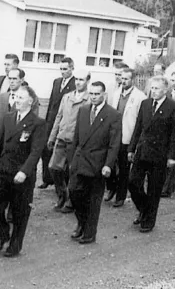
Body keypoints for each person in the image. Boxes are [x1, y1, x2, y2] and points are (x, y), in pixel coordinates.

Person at [0, 85, 46, 257]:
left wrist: (24, 171)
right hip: (2, 169)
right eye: (15, 97)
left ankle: (15, 245)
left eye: (20, 97)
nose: (16, 100)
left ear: (30, 101)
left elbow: (36, 151)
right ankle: (1, 235)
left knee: (20, 212)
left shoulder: (38, 123)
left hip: (21, 174)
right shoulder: (8, 118)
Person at [67, 82, 122, 244]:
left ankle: (89, 232)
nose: (93, 97)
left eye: (97, 94)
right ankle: (82, 223)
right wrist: (72, 159)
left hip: (98, 164)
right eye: (91, 94)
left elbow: (114, 144)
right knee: (74, 193)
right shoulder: (83, 110)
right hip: (80, 160)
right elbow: (76, 136)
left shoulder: (113, 115)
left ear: (104, 94)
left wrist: (108, 165)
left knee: (93, 200)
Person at [128, 76, 175, 233]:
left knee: (154, 188)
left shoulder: (174, 107)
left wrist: (172, 156)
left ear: (165, 90)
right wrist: (131, 149)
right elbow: (138, 128)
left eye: (157, 88)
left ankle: (149, 220)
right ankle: (144, 208)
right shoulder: (145, 104)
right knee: (133, 182)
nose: (154, 91)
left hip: (160, 154)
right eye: (152, 88)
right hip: (142, 150)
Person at [47, 69, 91, 212]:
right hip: (62, 137)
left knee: (74, 171)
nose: (78, 82)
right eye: (77, 79)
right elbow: (58, 117)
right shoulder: (67, 97)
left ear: (87, 81)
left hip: (76, 141)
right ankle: (62, 194)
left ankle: (72, 201)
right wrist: (52, 136)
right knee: (53, 167)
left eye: (82, 79)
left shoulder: (90, 99)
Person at [105, 68, 146, 206]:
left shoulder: (140, 97)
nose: (123, 81)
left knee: (124, 167)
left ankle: (120, 196)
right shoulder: (116, 94)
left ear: (133, 80)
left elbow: (140, 120)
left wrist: (135, 141)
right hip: (113, 134)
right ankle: (112, 188)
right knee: (109, 162)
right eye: (122, 78)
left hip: (127, 135)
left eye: (126, 79)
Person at [39, 58, 76, 190]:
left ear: (72, 68)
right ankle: (47, 179)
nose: (62, 72)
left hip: (65, 122)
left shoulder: (75, 84)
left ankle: (62, 183)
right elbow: (51, 103)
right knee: (46, 149)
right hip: (52, 121)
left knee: (62, 153)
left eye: (65, 69)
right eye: (61, 69)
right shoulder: (57, 82)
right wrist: (48, 120)